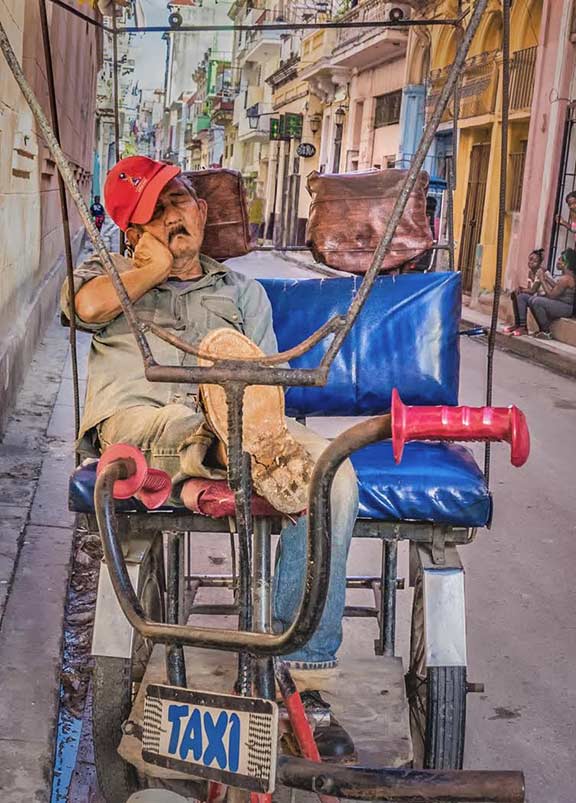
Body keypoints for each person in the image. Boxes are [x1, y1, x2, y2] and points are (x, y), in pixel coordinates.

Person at [61, 156, 358, 761]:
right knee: (185, 426)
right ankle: (225, 443)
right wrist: (149, 269)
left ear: (201, 209)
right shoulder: (107, 272)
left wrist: (251, 408)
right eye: (155, 214)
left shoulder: (240, 290)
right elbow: (86, 310)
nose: (174, 219)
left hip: (246, 414)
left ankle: (302, 674)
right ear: (131, 232)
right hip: (142, 425)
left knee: (335, 475)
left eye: (180, 203)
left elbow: (267, 378)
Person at [528, 248, 576, 339]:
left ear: (566, 263)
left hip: (566, 307)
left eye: (560, 260)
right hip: (563, 305)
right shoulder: (567, 277)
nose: (557, 262)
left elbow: (551, 295)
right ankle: (542, 330)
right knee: (532, 300)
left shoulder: (565, 279)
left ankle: (546, 331)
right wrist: (547, 278)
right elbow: (557, 287)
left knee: (536, 301)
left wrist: (542, 279)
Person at [504, 248, 549, 336]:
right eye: (530, 259)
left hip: (544, 298)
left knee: (521, 296)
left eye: (535, 261)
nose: (531, 262)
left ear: (540, 263)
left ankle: (523, 326)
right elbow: (528, 289)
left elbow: (532, 291)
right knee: (516, 294)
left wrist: (521, 290)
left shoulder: (541, 272)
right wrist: (520, 289)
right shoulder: (530, 272)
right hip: (536, 297)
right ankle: (517, 324)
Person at [556, 190, 576, 255]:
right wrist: (563, 222)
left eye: (574, 203)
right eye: (569, 205)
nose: (571, 206)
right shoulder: (573, 214)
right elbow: (575, 230)